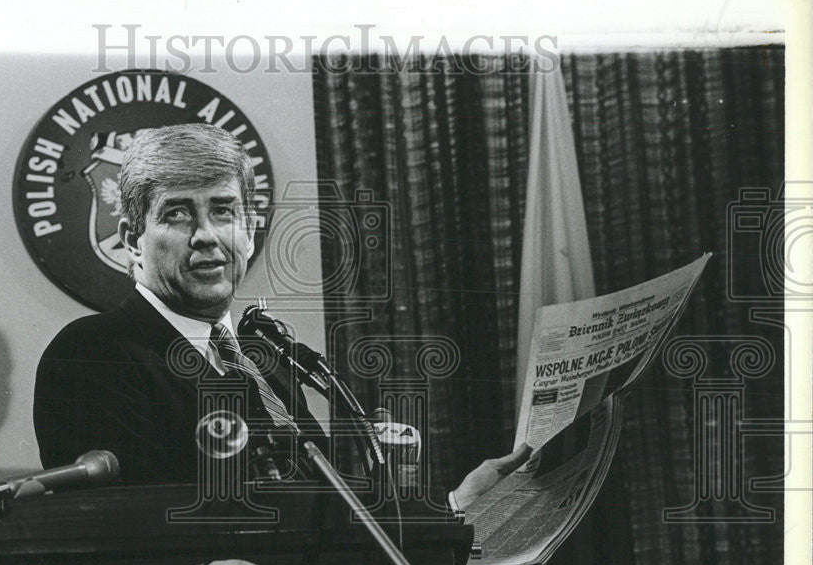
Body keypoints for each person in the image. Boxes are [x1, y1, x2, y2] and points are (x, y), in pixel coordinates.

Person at [34, 122, 528, 497]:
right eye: (178, 213)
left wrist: (458, 507)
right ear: (132, 242)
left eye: (223, 210)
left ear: (248, 230)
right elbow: (122, 531)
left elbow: (321, 523)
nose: (206, 235)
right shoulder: (91, 354)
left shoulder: (267, 360)